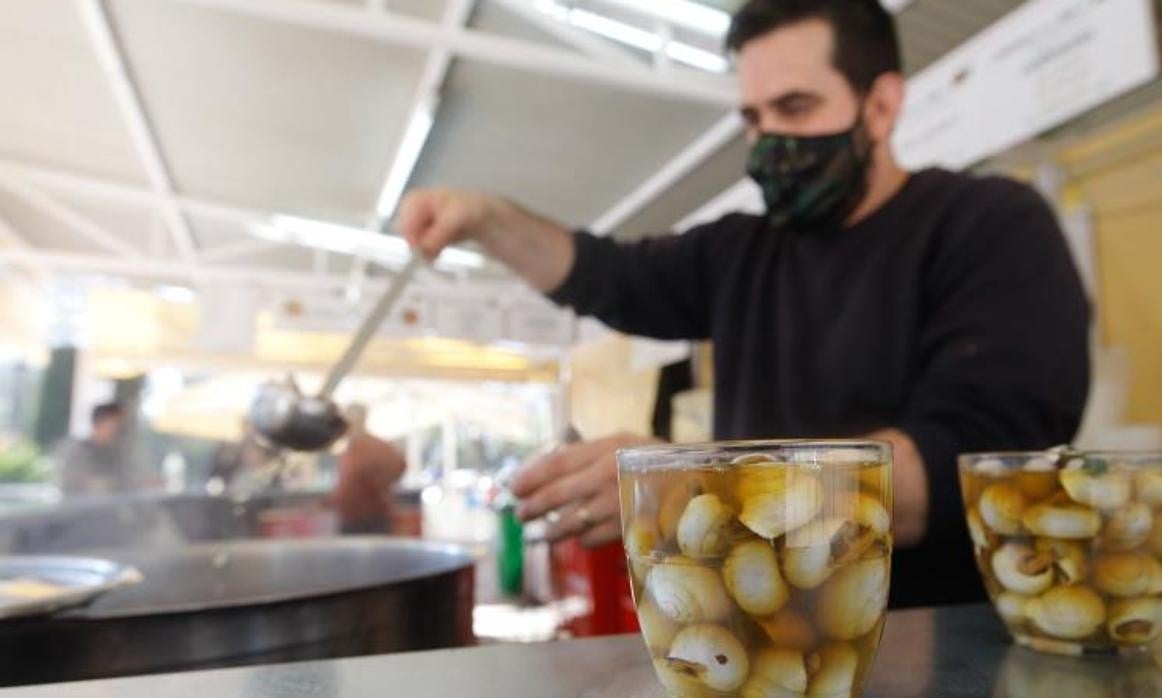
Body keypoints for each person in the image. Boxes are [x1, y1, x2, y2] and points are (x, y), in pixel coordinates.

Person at [396, 0, 1090, 607]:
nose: (766, 143)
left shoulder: (988, 226)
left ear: (881, 105)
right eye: (753, 118)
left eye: (795, 108)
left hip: (938, 643)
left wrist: (695, 486)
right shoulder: (740, 252)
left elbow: (970, 465)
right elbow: (609, 275)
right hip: (760, 639)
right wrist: (485, 219)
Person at [332, 405, 407, 534]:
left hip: (371, 520)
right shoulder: (350, 449)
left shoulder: (375, 447)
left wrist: (378, 484)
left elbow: (400, 465)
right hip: (351, 519)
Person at [58, 401, 130, 498]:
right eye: (116, 423)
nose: (120, 429)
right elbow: (69, 484)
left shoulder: (113, 454)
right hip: (79, 510)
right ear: (100, 422)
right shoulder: (78, 451)